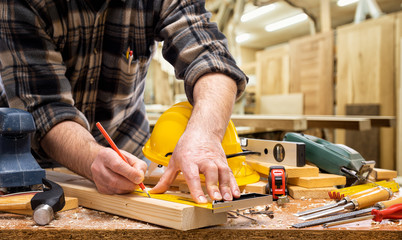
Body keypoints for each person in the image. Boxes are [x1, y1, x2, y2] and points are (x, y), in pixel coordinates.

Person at [0, 0, 247, 204]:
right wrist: (90, 157)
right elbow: (45, 110)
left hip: (129, 155)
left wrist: (205, 135)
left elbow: (212, 58)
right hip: (37, 170)